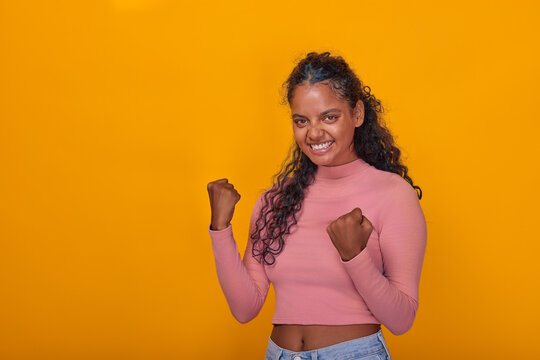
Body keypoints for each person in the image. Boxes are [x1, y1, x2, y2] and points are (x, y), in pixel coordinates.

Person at [206, 51, 427, 360]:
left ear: (358, 114)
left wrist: (355, 257)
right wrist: (221, 228)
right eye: (302, 121)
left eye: (329, 117)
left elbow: (402, 320)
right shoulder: (277, 200)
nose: (314, 132)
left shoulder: (392, 195)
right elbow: (245, 308)